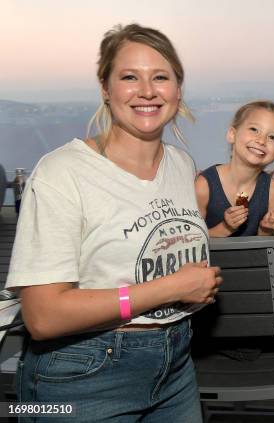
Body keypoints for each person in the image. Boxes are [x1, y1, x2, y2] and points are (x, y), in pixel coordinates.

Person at [6, 24, 221, 422]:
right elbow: (43, 317)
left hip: (176, 368)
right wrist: (169, 287)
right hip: (83, 374)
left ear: (178, 88)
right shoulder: (62, 172)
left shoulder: (181, 165)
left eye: (160, 77)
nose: (146, 91)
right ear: (105, 88)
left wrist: (191, 290)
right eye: (128, 77)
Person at [195, 101, 274, 237]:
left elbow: (265, 252)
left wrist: (267, 231)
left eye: (272, 137)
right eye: (254, 129)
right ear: (232, 135)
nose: (261, 140)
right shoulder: (204, 185)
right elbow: (191, 242)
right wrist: (225, 228)